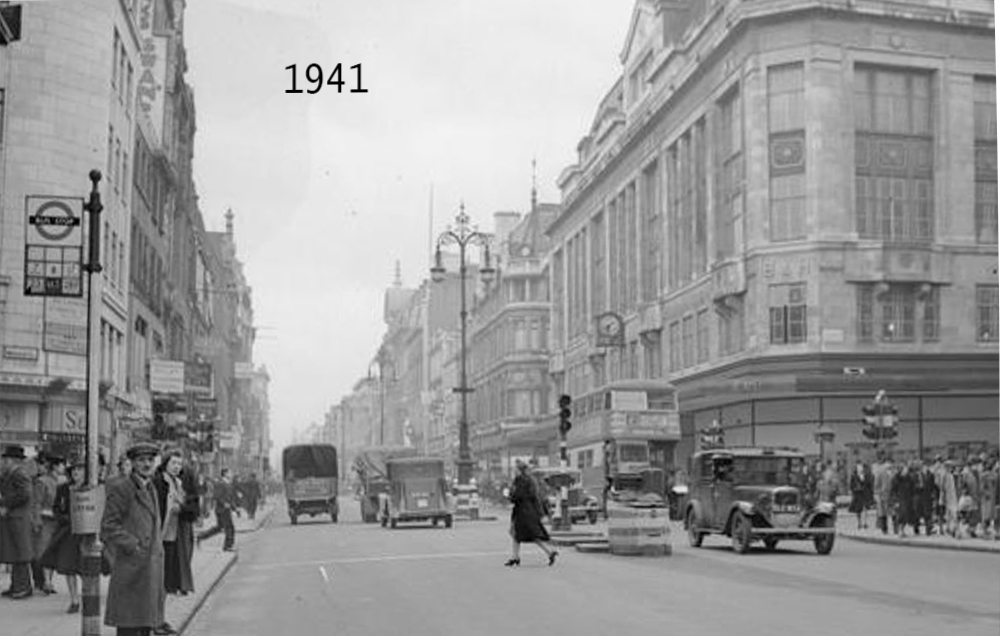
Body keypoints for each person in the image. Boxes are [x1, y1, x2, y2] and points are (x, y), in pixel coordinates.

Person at [101, 442, 165, 636]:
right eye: (141, 460)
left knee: (145, 625)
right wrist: (133, 545)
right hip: (132, 567)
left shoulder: (151, 487)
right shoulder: (123, 488)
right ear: (133, 463)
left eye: (150, 460)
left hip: (150, 567)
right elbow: (108, 526)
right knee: (129, 625)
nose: (146, 464)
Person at [40, 457, 87, 613]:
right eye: (73, 470)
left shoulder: (92, 488)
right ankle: (74, 600)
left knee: (86, 568)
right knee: (69, 567)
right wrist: (64, 518)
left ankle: (87, 596)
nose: (76, 472)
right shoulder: (63, 488)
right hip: (67, 532)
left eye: (79, 469)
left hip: (86, 533)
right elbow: (56, 509)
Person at [504, 459, 558, 567]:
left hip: (523, 511)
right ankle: (515, 557)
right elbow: (533, 496)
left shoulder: (521, 480)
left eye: (516, 469)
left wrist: (509, 496)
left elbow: (518, 495)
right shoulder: (529, 480)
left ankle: (549, 552)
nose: (514, 471)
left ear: (519, 470)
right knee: (516, 533)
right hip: (527, 510)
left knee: (530, 535)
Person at [0, 445, 35, 599]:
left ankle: (23, 587)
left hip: (18, 518)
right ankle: (16, 585)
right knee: (14, 553)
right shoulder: (10, 474)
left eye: (5, 459)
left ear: (12, 460)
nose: (3, 462)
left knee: (20, 553)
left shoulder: (19, 474)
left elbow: (25, 494)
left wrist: (6, 503)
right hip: (13, 518)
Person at [31, 453, 61, 595]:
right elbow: (36, 503)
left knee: (52, 551)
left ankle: (48, 581)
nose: (63, 467)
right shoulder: (42, 482)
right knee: (41, 551)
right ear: (55, 466)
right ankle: (41, 582)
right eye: (61, 464)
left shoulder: (61, 481)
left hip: (56, 521)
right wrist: (36, 521)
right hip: (44, 520)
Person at [197, 468, 238, 552]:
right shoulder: (220, 483)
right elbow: (217, 496)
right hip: (221, 510)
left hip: (226, 510)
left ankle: (201, 536)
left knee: (219, 528)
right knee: (229, 527)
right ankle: (227, 546)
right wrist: (224, 503)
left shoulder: (229, 484)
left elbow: (230, 499)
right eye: (230, 472)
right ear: (225, 474)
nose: (231, 474)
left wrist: (235, 509)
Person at [848, 461, 873, 530]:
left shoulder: (867, 475)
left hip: (865, 493)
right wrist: (855, 489)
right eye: (858, 467)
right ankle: (859, 522)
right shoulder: (854, 476)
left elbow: (869, 484)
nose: (860, 469)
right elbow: (851, 486)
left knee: (865, 508)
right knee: (858, 509)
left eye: (861, 467)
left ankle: (865, 522)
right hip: (858, 494)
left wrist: (870, 494)